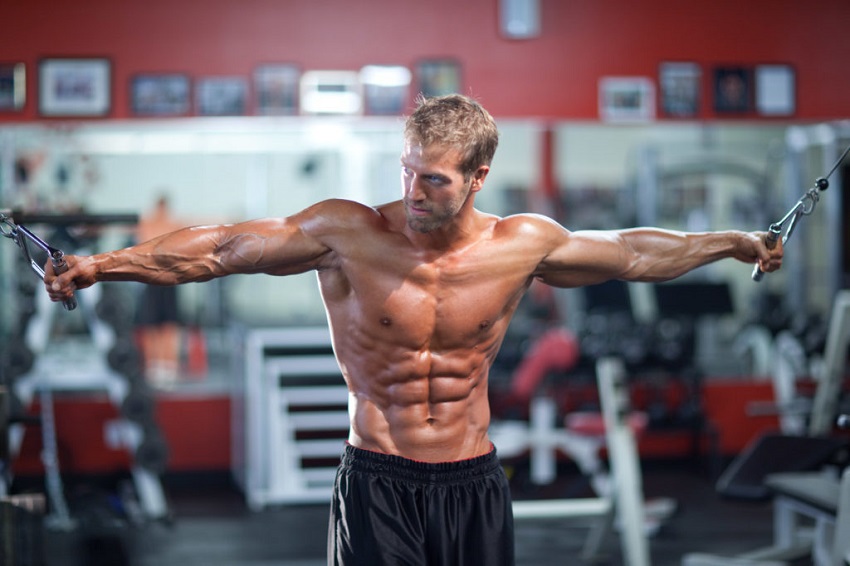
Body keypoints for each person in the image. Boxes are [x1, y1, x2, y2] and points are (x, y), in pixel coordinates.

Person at [43, 94, 783, 566]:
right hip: (379, 479)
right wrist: (101, 265)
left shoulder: (521, 244)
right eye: (407, 172)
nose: (414, 191)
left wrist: (734, 241)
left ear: (478, 177)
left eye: (435, 179)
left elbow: (632, 253)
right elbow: (218, 250)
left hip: (474, 478)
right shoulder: (348, 234)